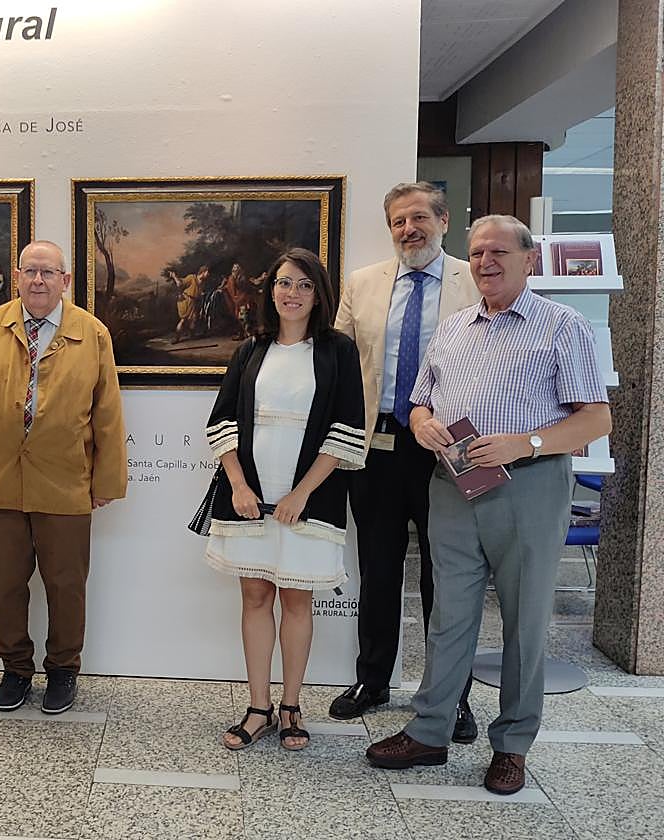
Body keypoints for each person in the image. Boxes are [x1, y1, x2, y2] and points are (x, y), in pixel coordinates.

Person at [366, 215, 611, 795]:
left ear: (530, 259)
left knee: (524, 620)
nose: (485, 262)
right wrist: (422, 424)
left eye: (499, 251)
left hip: (529, 486)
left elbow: (596, 418)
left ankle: (512, 745)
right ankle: (430, 730)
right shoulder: (453, 328)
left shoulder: (563, 326)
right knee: (448, 615)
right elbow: (420, 401)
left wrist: (524, 443)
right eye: (477, 253)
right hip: (453, 486)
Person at [0, 239, 127, 714]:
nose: (38, 280)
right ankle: (15, 669)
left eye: (48, 273)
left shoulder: (92, 333)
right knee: (3, 582)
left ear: (65, 280)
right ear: (17, 277)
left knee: (66, 584)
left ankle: (64, 670)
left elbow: (108, 412)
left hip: (67, 480)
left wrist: (106, 481)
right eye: (30, 271)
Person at [330, 181, 482, 741]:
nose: (408, 229)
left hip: (451, 448)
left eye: (419, 218)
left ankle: (452, 696)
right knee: (377, 569)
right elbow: (339, 362)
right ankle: (372, 680)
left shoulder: (475, 280)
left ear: (444, 221)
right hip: (379, 447)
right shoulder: (362, 284)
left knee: (449, 576)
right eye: (398, 221)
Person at [205, 247, 366, 751]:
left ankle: (292, 705)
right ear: (269, 290)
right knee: (255, 598)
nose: (292, 293)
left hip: (309, 499)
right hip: (249, 498)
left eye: (303, 284)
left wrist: (302, 493)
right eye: (283, 283)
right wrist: (238, 485)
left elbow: (347, 429)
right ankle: (259, 707)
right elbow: (221, 422)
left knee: (297, 600)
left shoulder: (338, 351)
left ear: (318, 295)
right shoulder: (250, 349)